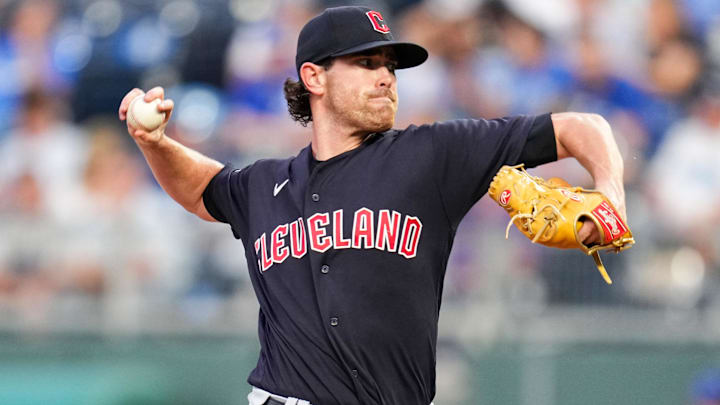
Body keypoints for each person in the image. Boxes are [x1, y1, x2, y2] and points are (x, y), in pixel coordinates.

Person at [118, 6, 626, 405]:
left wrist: (611, 194)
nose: (386, 76)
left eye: (390, 66)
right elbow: (202, 189)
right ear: (314, 78)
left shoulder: (432, 154)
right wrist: (154, 142)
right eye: (366, 63)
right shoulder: (265, 184)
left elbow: (583, 128)